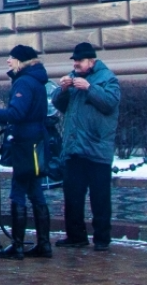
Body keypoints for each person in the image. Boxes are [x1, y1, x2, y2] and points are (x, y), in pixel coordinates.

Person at [0, 44, 51, 259]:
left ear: (21, 61)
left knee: (18, 190)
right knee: (36, 191)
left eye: (11, 57)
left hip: (24, 143)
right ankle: (44, 245)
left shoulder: (24, 82)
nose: (8, 61)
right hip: (35, 142)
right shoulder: (37, 80)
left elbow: (16, 113)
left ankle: (18, 245)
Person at [52, 42, 121, 251]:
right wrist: (63, 90)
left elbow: (110, 103)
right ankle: (76, 236)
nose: (75, 64)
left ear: (91, 61)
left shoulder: (108, 78)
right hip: (74, 148)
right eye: (74, 61)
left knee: (100, 197)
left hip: (97, 148)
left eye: (79, 61)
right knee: (72, 195)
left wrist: (90, 88)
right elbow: (59, 105)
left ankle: (102, 239)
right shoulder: (73, 78)